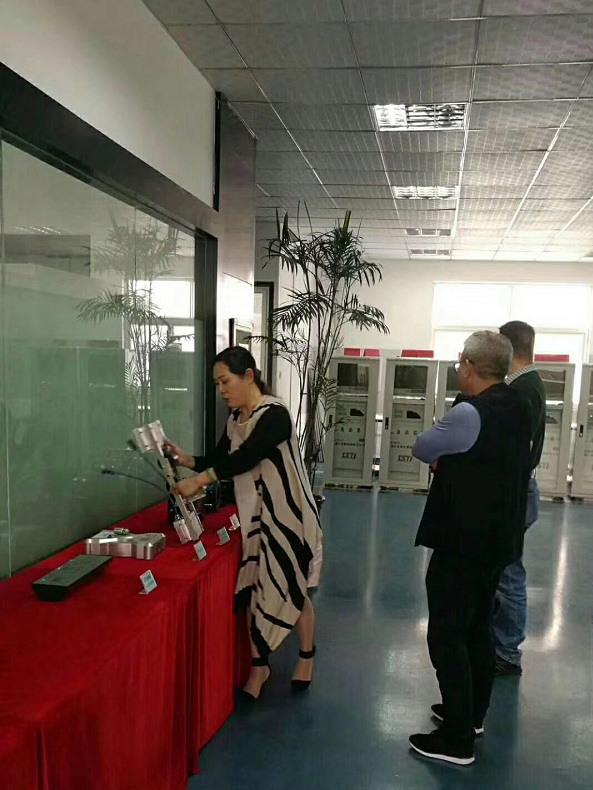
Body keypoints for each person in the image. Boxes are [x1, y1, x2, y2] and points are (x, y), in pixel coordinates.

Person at [168, 346, 323, 700]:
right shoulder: (235, 418)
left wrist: (200, 481)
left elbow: (247, 457)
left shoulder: (275, 415)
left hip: (289, 516)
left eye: (225, 381)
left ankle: (306, 656)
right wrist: (186, 460)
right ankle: (259, 668)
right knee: (255, 588)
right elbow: (220, 457)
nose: (222, 390)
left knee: (292, 587)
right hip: (255, 517)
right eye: (217, 384)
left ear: (248, 376)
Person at [408, 331, 531, 766]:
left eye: (460, 362)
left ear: (468, 365)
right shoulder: (519, 405)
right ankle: (471, 714)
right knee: (478, 627)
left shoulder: (468, 413)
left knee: (447, 633)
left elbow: (422, 447)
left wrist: (447, 458)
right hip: (498, 539)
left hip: (463, 541)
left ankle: (457, 739)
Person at [494, 321, 546, 677]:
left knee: (509, 574)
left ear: (507, 349)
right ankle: (501, 644)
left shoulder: (523, 390)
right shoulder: (527, 385)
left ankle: (507, 652)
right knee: (503, 569)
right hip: (517, 487)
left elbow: (514, 450)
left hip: (514, 491)